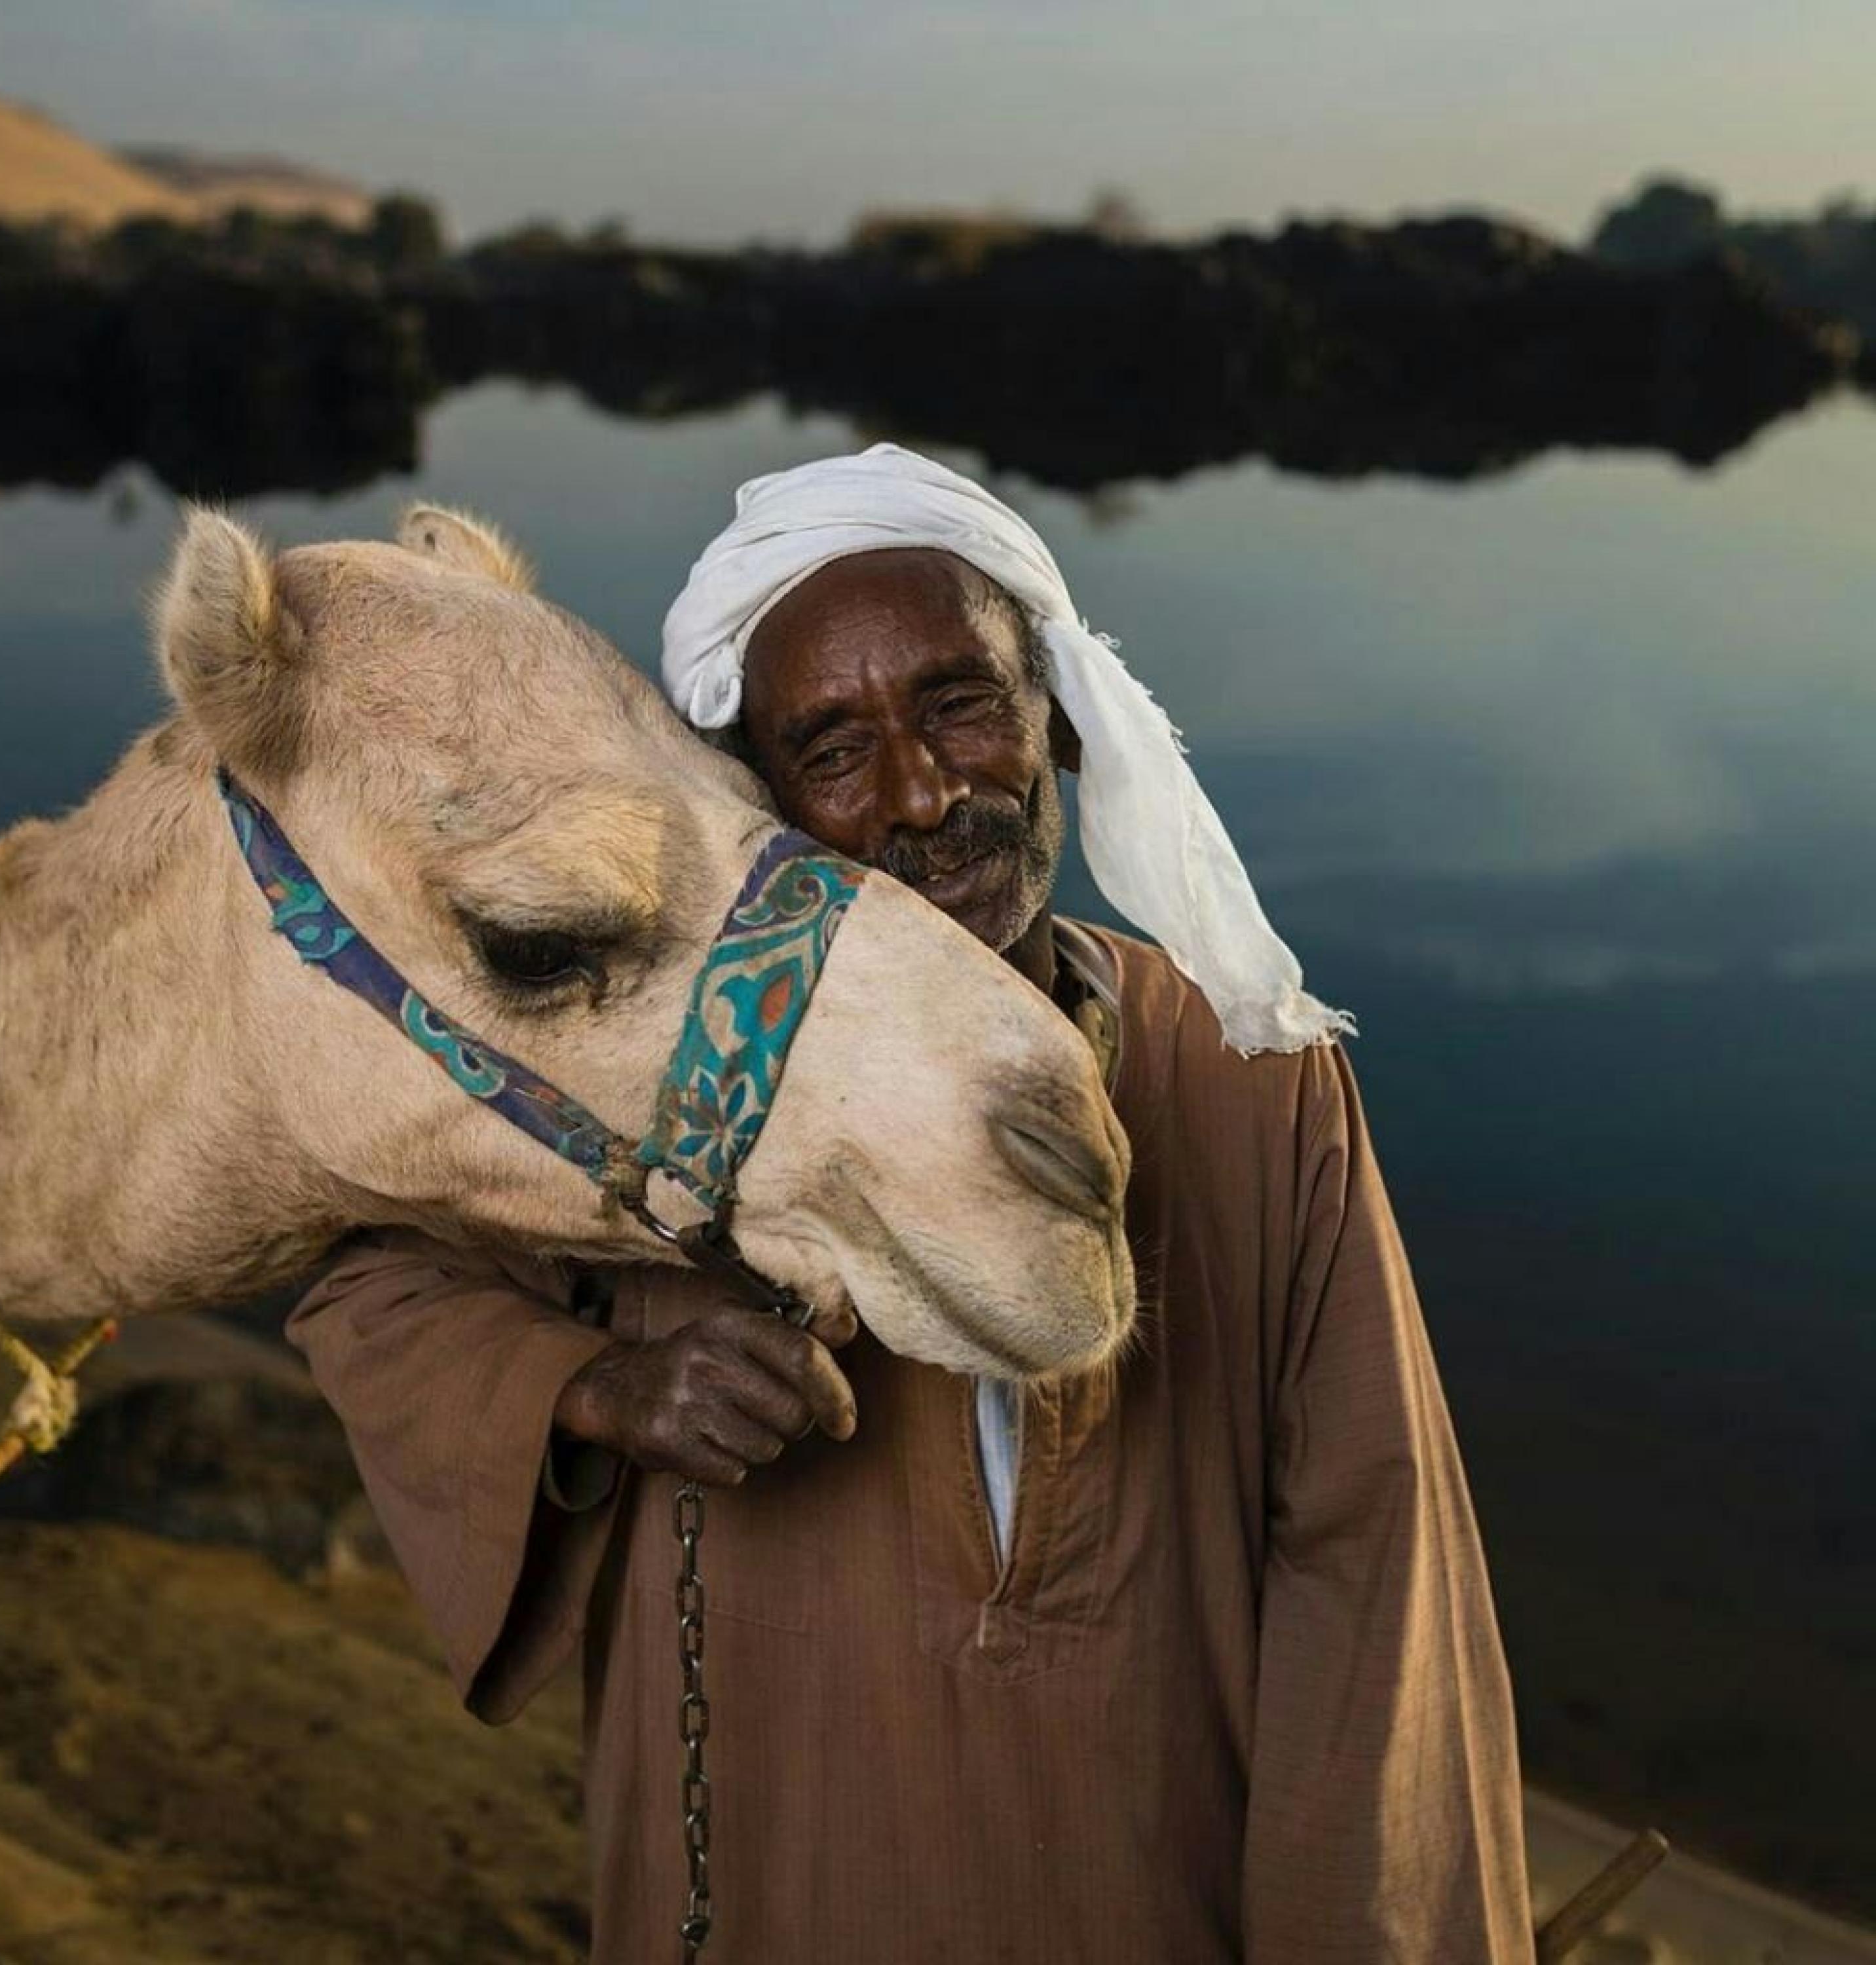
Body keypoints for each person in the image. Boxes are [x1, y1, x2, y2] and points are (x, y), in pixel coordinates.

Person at [289, 445, 1533, 1962]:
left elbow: (1369, 1547)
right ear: (763, 802)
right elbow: (369, 1280)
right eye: (833, 745)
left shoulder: (1248, 1078)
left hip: (1161, 1890)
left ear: (1056, 714)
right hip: (780, 1876)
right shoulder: (645, 1071)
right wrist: (596, 1386)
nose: (923, 795)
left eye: (959, 703)